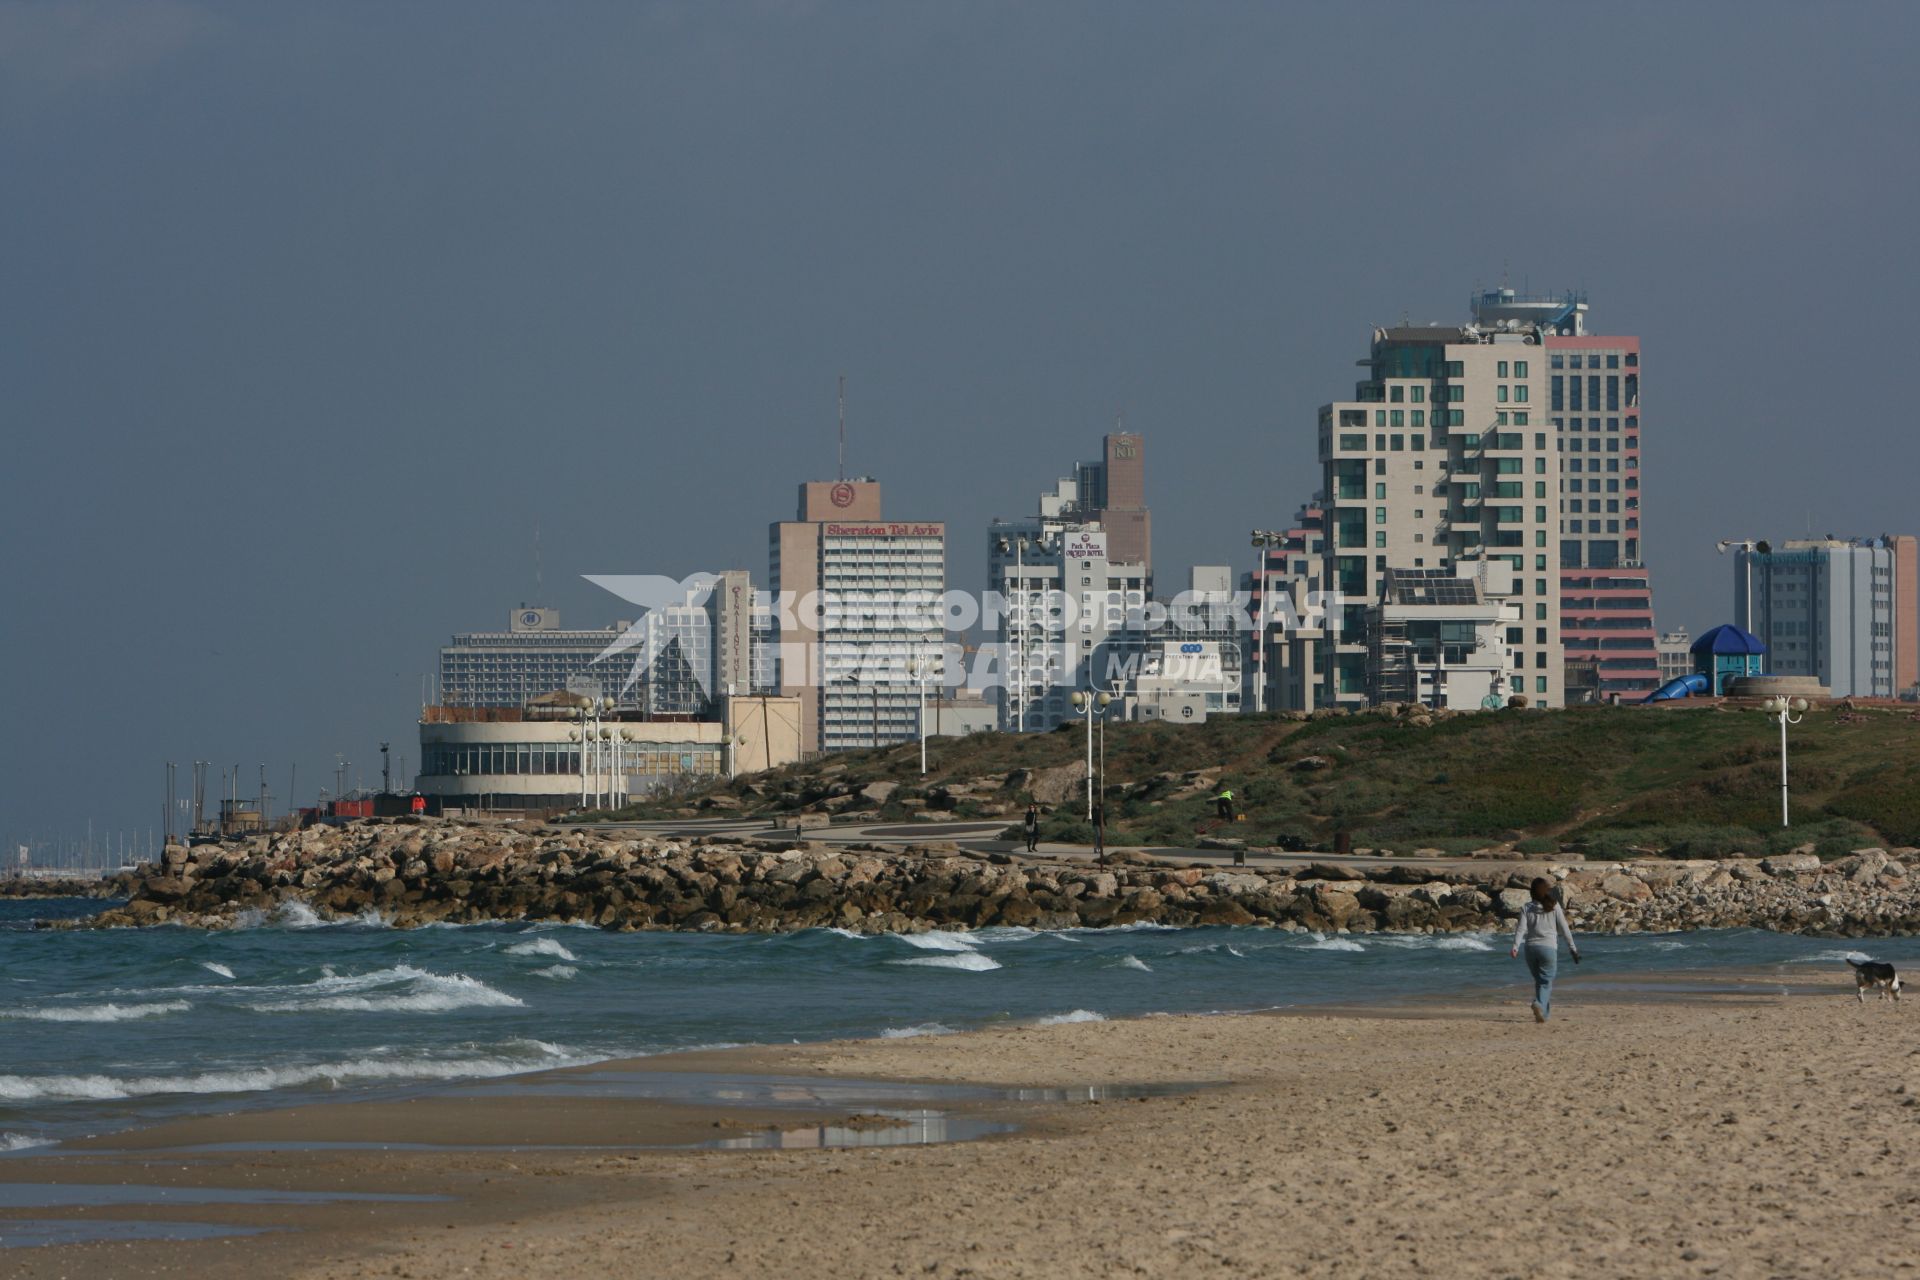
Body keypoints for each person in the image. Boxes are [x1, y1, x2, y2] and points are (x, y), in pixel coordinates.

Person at [1510, 877, 1580, 1022]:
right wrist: (1572, 948)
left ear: (1532, 892)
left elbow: (1521, 929)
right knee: (1546, 982)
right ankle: (1539, 1004)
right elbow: (1564, 928)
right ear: (1546, 890)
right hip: (1548, 948)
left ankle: (1543, 1015)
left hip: (1530, 949)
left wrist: (1515, 947)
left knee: (1540, 981)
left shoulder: (1526, 907)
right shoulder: (1554, 906)